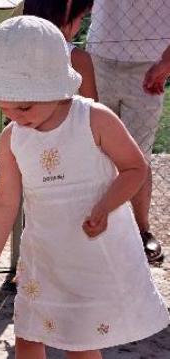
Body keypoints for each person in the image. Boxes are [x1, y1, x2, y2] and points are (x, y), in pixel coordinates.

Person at [0, 16, 169, 359]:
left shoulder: (94, 119)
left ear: (55, 85)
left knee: (80, 346)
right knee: (27, 337)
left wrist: (104, 206)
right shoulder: (12, 138)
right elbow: (5, 203)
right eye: (4, 107)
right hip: (43, 259)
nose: (15, 116)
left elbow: (135, 168)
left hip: (88, 256)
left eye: (23, 106)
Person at [86, 0, 170, 263]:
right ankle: (94, 225)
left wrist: (167, 61)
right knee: (92, 147)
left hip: (150, 62)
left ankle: (141, 230)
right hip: (97, 56)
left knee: (137, 155)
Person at [23, 0, 98, 101]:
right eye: (81, 18)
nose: (80, 24)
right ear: (67, 13)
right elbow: (91, 109)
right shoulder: (77, 58)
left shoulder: (18, 50)